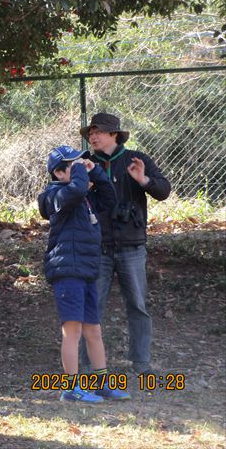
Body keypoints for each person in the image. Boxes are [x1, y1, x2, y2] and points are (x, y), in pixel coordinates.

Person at [38, 145, 131, 403]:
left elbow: (110, 198)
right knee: (73, 331)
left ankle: (101, 383)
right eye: (73, 164)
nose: (80, 166)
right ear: (58, 172)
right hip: (67, 270)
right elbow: (76, 189)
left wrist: (96, 172)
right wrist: (81, 171)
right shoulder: (54, 195)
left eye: (80, 163)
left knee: (94, 331)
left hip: (86, 271)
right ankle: (71, 389)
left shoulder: (83, 197)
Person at [80, 113, 171, 374]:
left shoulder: (136, 159)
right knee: (92, 306)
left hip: (132, 246)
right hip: (98, 247)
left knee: (138, 306)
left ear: (114, 134)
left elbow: (163, 191)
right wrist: (81, 184)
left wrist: (143, 180)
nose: (93, 137)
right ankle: (88, 364)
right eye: (91, 133)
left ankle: (141, 363)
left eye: (99, 132)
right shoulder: (84, 163)